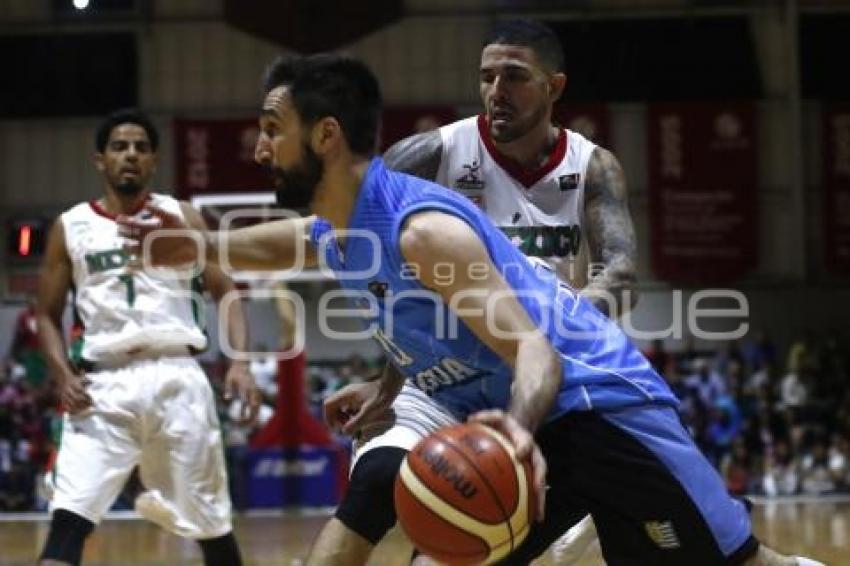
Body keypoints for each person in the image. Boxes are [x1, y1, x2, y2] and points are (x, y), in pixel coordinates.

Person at [121, 53, 823, 566]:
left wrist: (514, 437)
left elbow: (536, 352)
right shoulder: (341, 230)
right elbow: (267, 248)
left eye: (273, 128)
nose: (260, 147)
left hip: (605, 416)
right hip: (536, 429)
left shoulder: (423, 232)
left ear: (325, 135)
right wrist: (185, 245)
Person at [308, 19, 633, 565]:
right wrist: (390, 377)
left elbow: (619, 274)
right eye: (487, 77)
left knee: (464, 545)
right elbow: (389, 276)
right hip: (443, 377)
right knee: (374, 487)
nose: (496, 92)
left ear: (554, 86)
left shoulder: (593, 166)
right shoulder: (431, 154)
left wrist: (548, 328)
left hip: (539, 377)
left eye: (514, 76)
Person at [36, 109, 259, 566]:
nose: (130, 155)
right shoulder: (72, 226)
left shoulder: (182, 216)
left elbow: (227, 292)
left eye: (140, 147)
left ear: (154, 159)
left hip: (178, 376)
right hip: (102, 386)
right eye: (120, 147)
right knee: (68, 520)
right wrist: (61, 376)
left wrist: (240, 361)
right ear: (101, 160)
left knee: (212, 524)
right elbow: (46, 315)